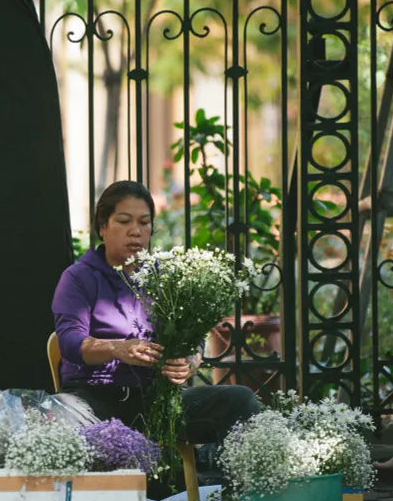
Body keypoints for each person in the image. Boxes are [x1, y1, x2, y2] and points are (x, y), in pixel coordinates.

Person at [52, 180, 260, 446]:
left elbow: (192, 336)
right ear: (103, 226)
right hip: (93, 401)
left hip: (154, 401)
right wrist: (117, 348)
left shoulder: (164, 279)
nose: (136, 232)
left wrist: (190, 361)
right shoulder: (78, 277)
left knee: (239, 400)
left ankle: (226, 486)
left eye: (144, 222)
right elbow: (69, 342)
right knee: (59, 417)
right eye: (124, 221)